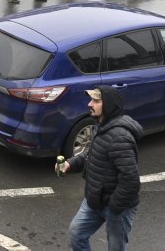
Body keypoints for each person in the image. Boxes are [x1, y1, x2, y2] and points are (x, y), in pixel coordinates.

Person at [60, 86, 142, 251]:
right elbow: (92, 155)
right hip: (95, 199)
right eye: (91, 100)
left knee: (116, 247)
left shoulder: (119, 137)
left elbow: (131, 180)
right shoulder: (101, 126)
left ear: (109, 105)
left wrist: (114, 207)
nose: (90, 104)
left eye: (96, 101)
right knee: (77, 234)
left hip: (116, 207)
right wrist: (70, 163)